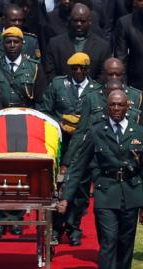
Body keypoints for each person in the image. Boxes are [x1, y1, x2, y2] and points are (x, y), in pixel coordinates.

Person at [58, 90, 143, 269]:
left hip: (131, 193)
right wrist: (66, 197)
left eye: (120, 105)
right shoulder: (95, 132)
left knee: (126, 244)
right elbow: (79, 167)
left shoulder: (140, 133)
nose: (116, 108)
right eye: (112, 105)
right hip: (106, 194)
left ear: (128, 107)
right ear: (107, 107)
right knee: (109, 241)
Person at [37, 52, 102, 246]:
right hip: (61, 144)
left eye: (83, 68)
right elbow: (44, 110)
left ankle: (74, 227)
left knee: (80, 190)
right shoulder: (58, 84)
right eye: (75, 68)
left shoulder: (97, 90)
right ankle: (56, 228)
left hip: (84, 146)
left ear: (88, 69)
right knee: (58, 188)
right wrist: (60, 123)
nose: (79, 71)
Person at [0, 26, 46, 108]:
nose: (12, 45)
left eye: (16, 42)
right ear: (2, 44)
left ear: (22, 44)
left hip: (25, 114)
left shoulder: (34, 67)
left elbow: (40, 100)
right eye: (8, 42)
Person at [44, 3, 110, 81]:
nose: (79, 24)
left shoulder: (103, 47)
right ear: (69, 20)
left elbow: (103, 75)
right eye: (76, 20)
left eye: (83, 21)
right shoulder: (55, 44)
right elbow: (50, 72)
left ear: (90, 22)